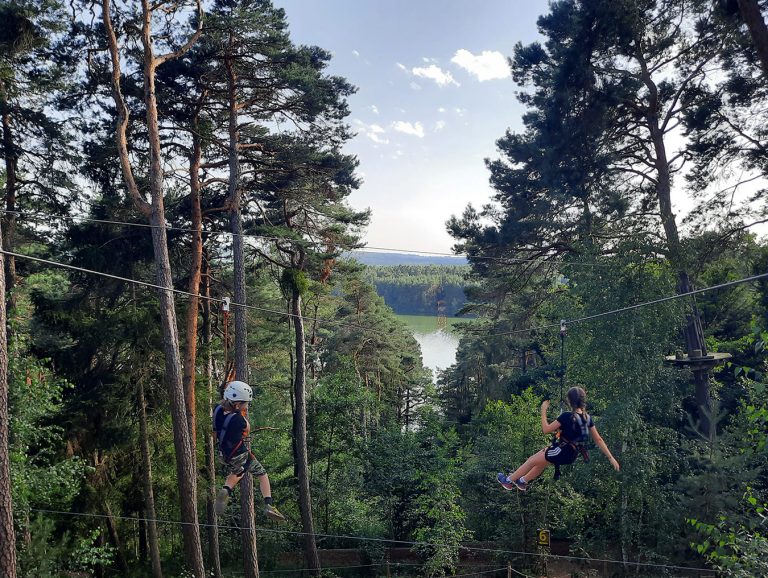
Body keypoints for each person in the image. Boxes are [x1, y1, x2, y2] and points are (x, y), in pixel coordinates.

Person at [497, 386, 620, 491]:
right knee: (540, 463)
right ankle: (522, 481)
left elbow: (546, 429)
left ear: (569, 401)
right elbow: (598, 439)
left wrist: (543, 410)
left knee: (531, 460)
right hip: (572, 454)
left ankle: (508, 480)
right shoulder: (587, 418)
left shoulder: (566, 416)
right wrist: (611, 457)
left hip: (562, 451)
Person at [213, 380, 285, 521]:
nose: (247, 406)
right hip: (239, 453)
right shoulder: (239, 419)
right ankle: (269, 505)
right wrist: (244, 419)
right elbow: (247, 431)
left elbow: (215, 432)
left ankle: (225, 490)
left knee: (238, 472)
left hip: (224, 453)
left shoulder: (217, 410)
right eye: (246, 403)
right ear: (238, 404)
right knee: (262, 474)